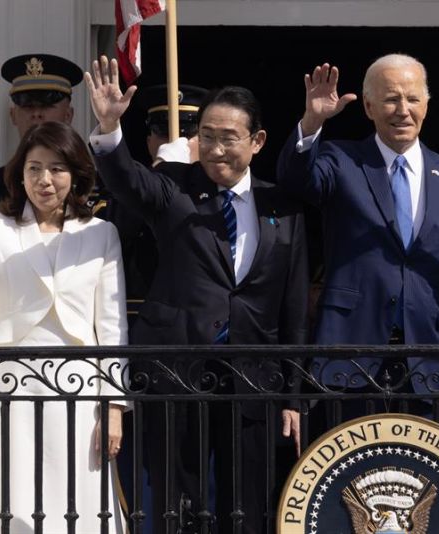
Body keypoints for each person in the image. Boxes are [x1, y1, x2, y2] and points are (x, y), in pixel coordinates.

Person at [85, 56, 308, 534]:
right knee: (174, 502)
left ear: (257, 142)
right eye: (207, 135)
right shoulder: (174, 188)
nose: (216, 149)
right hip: (176, 372)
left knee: (245, 503)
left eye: (229, 137)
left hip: (252, 379)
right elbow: (126, 182)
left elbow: (292, 309)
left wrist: (292, 395)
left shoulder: (282, 209)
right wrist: (109, 129)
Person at [0, 121, 128, 533]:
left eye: (56, 168)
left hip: (79, 385)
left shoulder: (100, 234)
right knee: (11, 498)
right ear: (19, 174)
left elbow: (112, 323)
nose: (44, 180)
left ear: (77, 175)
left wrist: (115, 405)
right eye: (33, 168)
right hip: (9, 384)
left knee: (77, 500)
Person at [276, 56, 439, 422]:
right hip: (351, 357)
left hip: (431, 365)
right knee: (352, 477)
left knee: (422, 477)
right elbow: (295, 179)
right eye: (391, 99)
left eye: (412, 98)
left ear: (427, 105)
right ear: (369, 106)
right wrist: (313, 121)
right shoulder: (341, 159)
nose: (402, 110)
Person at [0, 53, 84, 346]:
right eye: (27, 106)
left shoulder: (92, 186)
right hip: (1, 349)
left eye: (47, 104)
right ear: (13, 115)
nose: (36, 114)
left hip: (72, 354)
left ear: (69, 114)